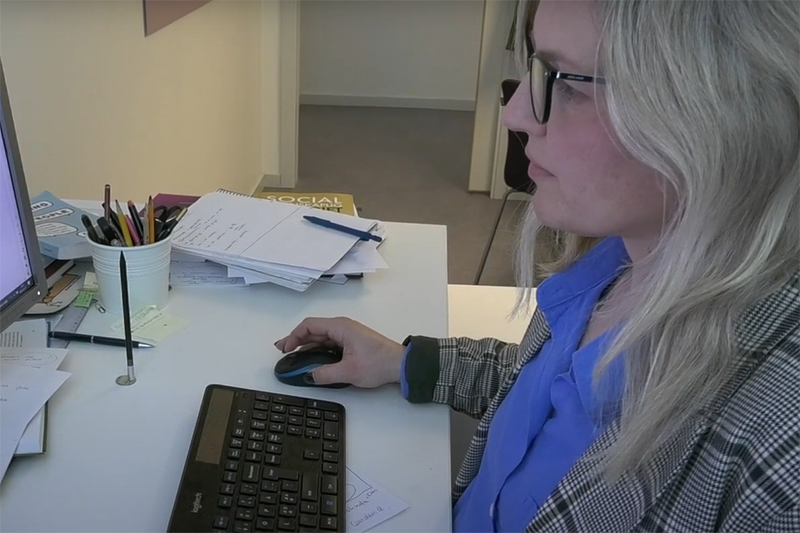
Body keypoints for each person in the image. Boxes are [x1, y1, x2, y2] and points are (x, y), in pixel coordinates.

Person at [276, 0, 800, 530]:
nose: (515, 114)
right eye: (537, 67)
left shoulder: (779, 467)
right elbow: (542, 394)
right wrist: (403, 362)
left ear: (725, 111)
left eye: (567, 84)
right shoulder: (616, 262)